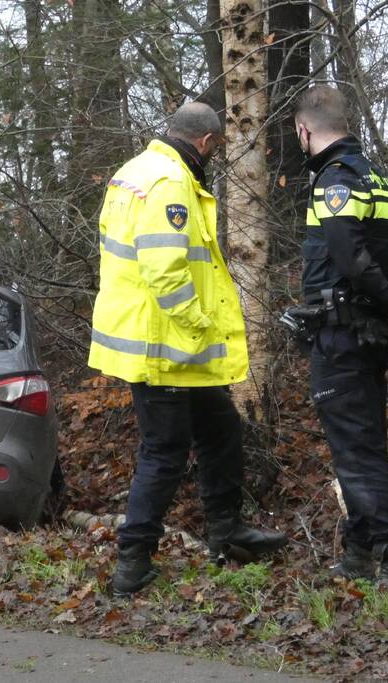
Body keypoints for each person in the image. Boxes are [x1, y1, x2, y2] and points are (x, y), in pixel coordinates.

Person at [88, 102, 289, 596]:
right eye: (214, 149)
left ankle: (227, 531)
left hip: (159, 340)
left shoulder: (132, 172)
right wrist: (200, 325)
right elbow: (164, 270)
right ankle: (133, 563)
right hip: (166, 344)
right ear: (206, 142)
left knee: (221, 429)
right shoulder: (171, 183)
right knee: (164, 452)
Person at [293, 86, 388, 597]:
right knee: (361, 442)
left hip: (343, 332)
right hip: (372, 334)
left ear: (304, 130)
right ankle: (358, 553)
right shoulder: (380, 179)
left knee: (357, 450)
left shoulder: (335, 179)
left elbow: (350, 258)